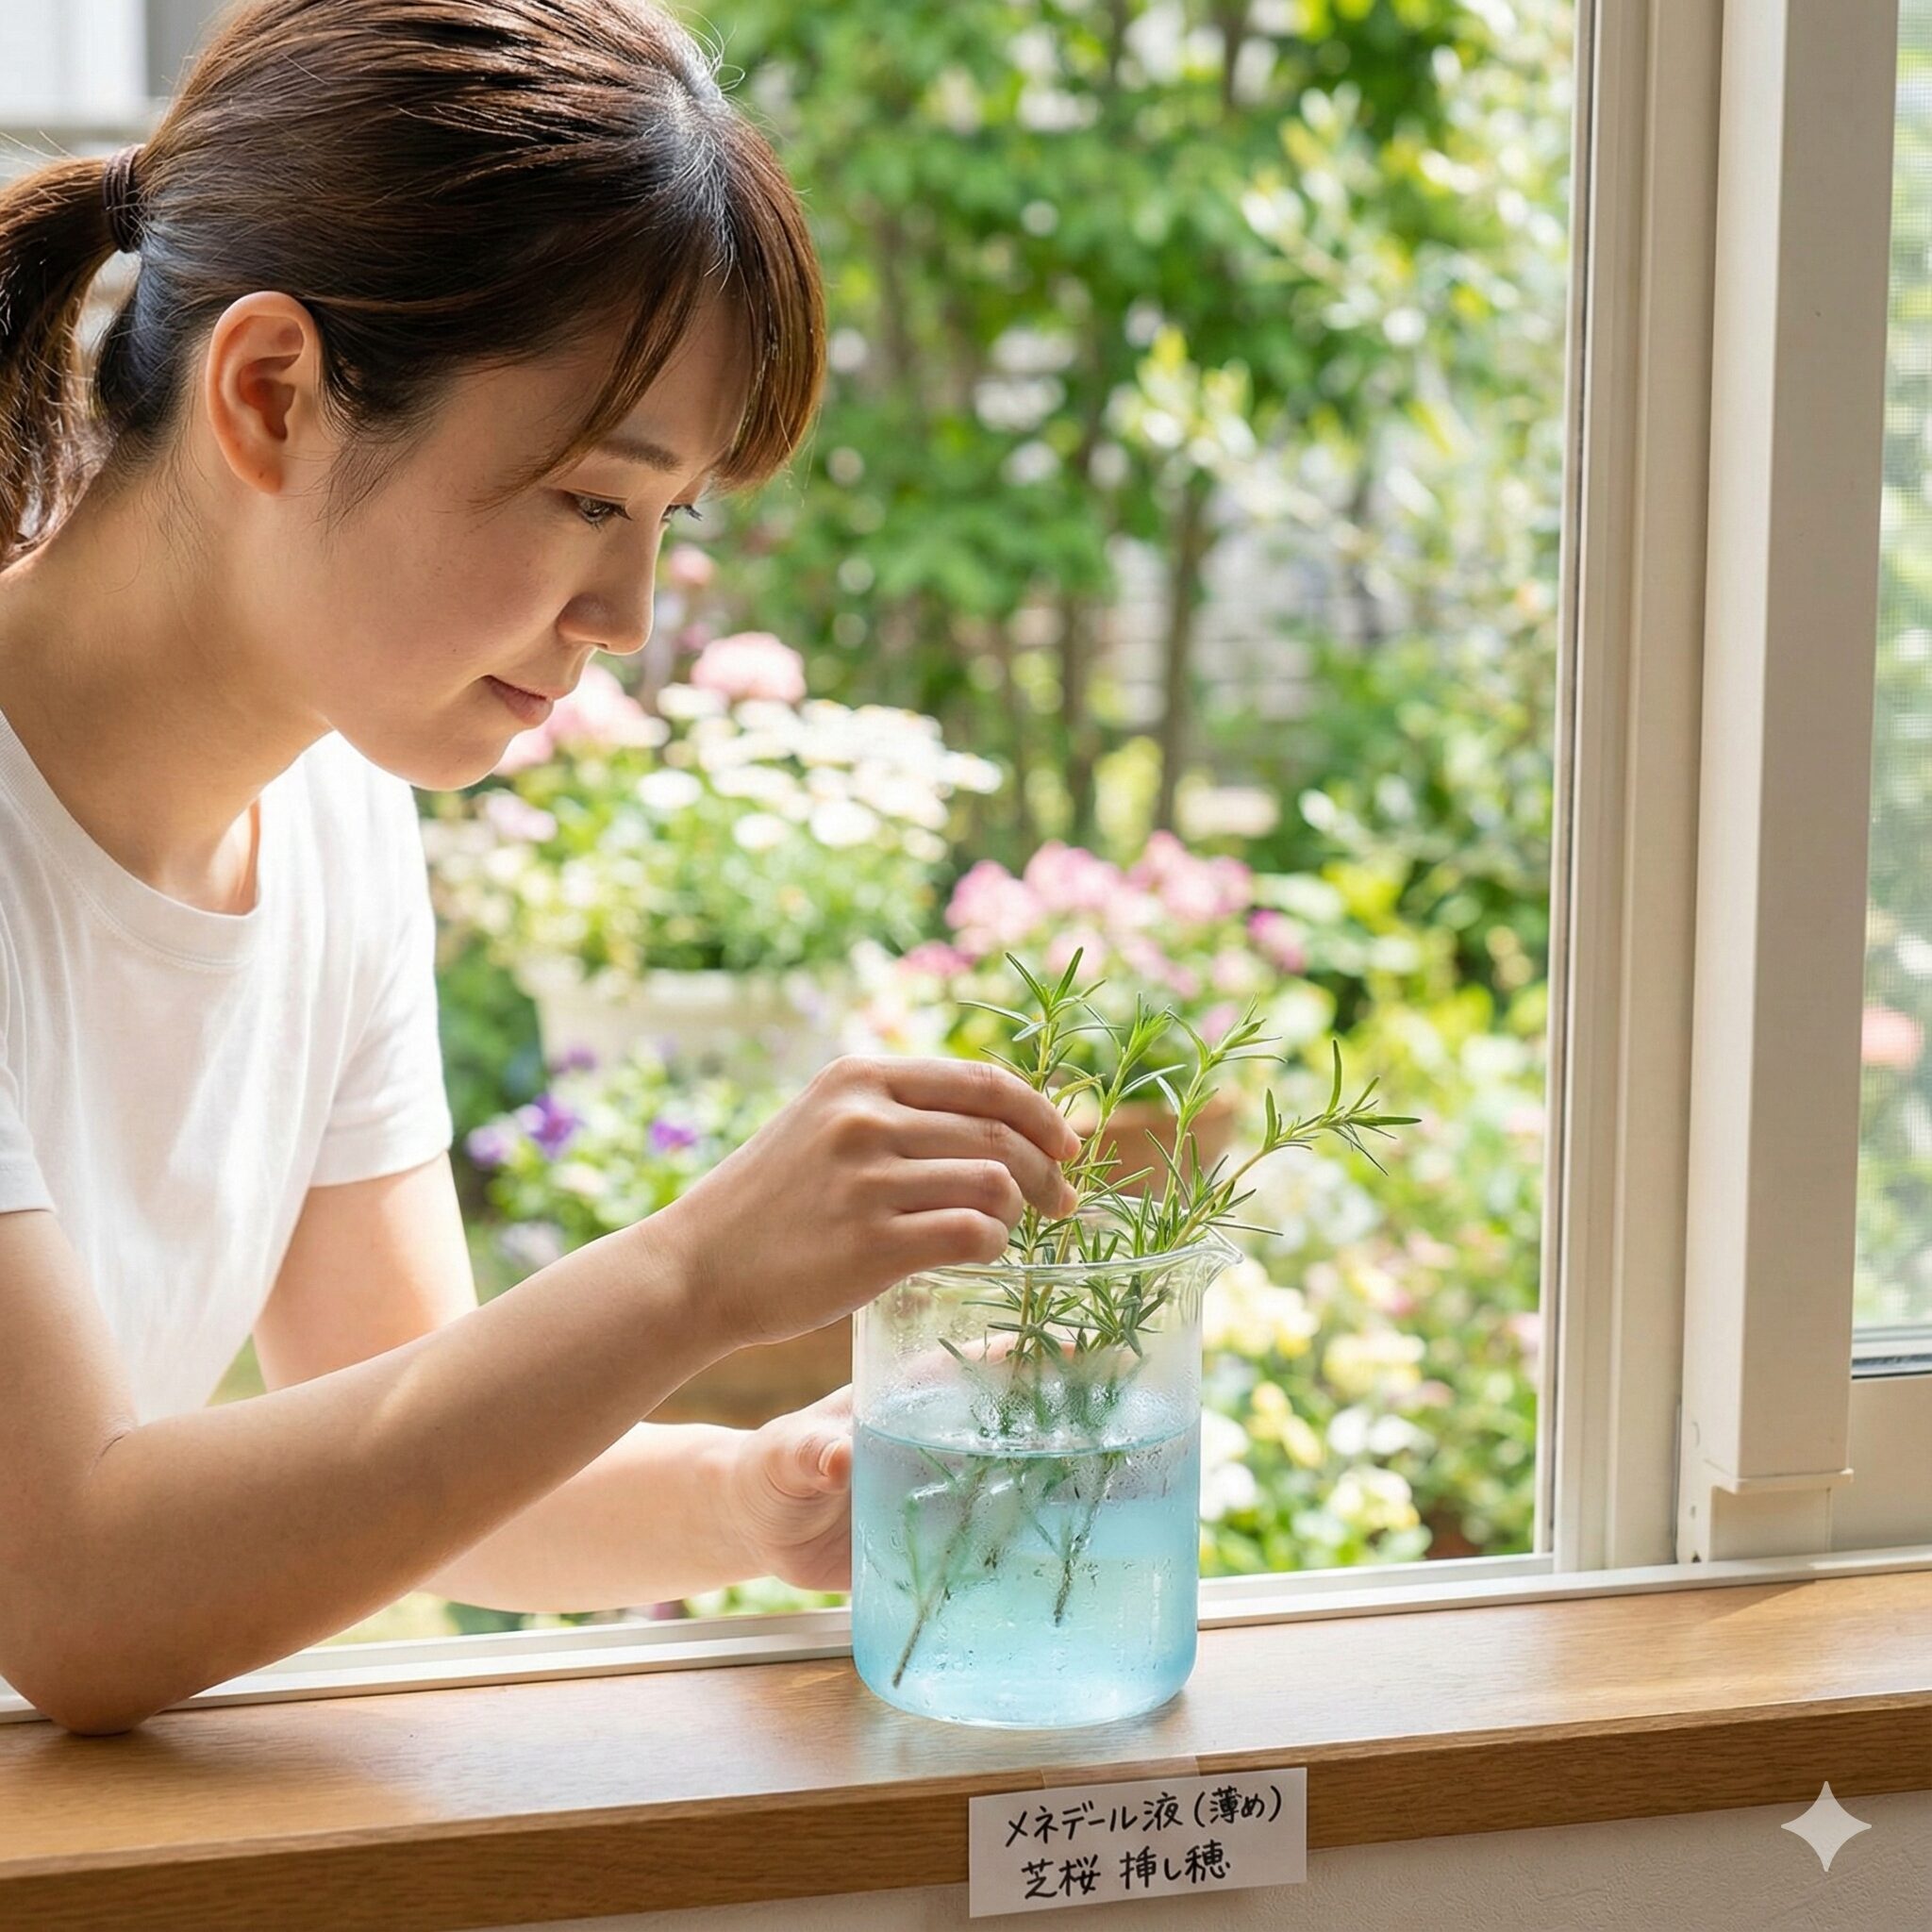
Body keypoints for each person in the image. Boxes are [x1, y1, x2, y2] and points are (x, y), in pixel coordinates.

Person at [0, 0, 1080, 1737]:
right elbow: (73, 1592)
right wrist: (696, 1271)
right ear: (270, 394)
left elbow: (392, 1426)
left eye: (672, 522)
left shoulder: (333, 817)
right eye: (591, 498)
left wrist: (767, 1495)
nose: (629, 622)